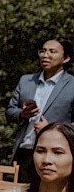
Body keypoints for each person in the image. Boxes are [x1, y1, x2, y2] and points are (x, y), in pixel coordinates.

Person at [6, 37, 74, 183]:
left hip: (55, 156)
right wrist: (22, 114)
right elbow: (10, 111)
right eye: (42, 51)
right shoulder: (26, 81)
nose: (45, 55)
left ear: (66, 58)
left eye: (52, 52)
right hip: (26, 152)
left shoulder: (72, 85)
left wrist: (53, 129)